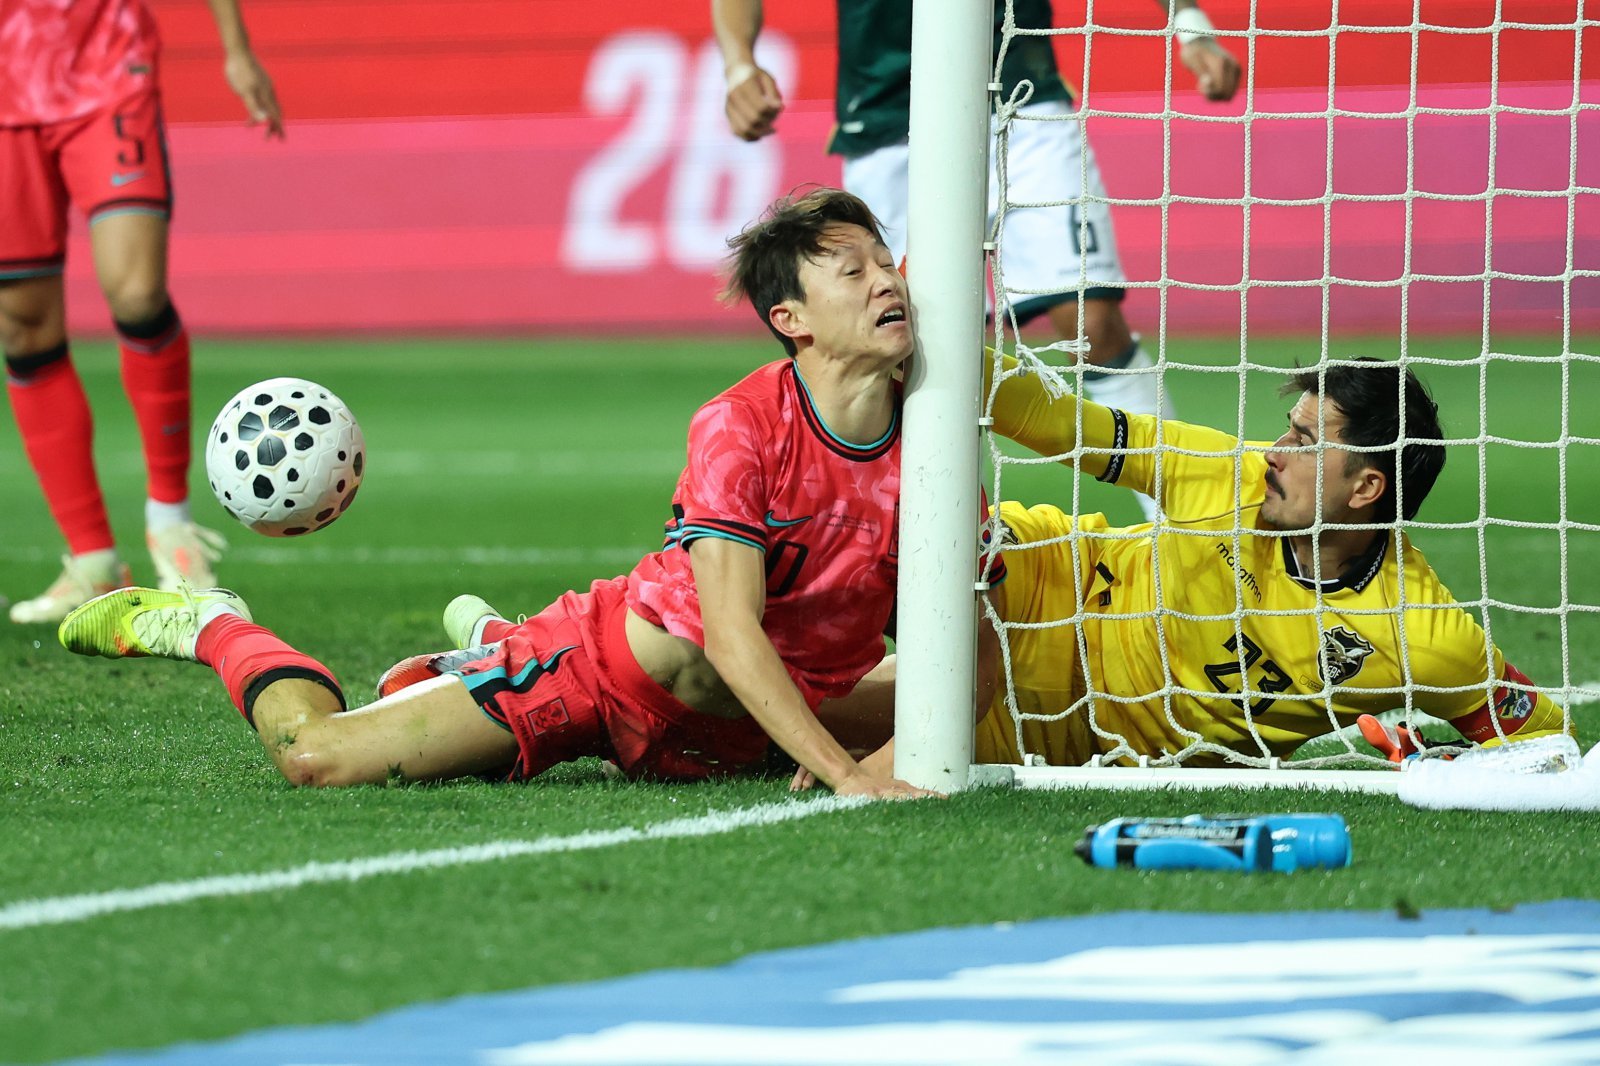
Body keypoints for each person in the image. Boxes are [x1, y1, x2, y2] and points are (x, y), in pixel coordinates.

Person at [58, 188, 983, 798]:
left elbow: (974, 643)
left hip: (754, 726)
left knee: (972, 709)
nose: (884, 281)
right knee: (319, 758)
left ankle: (485, 650)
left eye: (883, 261)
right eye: (849, 271)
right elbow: (733, 632)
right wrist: (846, 774)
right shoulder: (741, 424)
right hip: (609, 674)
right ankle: (215, 623)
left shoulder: (938, 448)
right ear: (790, 321)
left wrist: (892, 758)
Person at [818, 354, 1569, 770]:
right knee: (860, 539)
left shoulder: (1423, 636)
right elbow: (1064, 423)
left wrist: (1455, 766)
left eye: (1307, 443)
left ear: (1367, 487)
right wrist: (940, 347)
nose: (1276, 451)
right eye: (1288, 428)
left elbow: (1546, 742)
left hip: (1071, 727)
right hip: (1050, 580)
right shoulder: (1230, 473)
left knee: (791, 723)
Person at [712, 0, 1241, 519]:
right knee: (901, 340)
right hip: (888, 112)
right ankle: (908, 541)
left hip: (1020, 89)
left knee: (1091, 323)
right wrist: (738, 63)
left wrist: (1188, 22)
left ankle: (1189, 526)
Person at [1, 0, 285, 624]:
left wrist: (235, 49)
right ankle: (92, 559)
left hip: (107, 65)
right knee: (22, 324)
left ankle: (171, 524)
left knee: (136, 294)